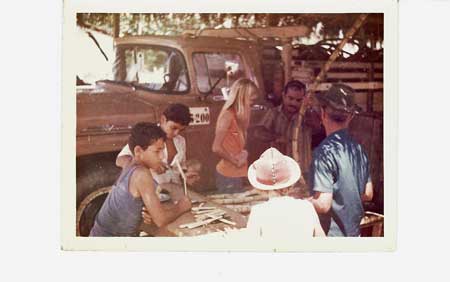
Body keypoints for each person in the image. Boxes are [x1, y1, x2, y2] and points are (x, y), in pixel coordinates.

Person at [90, 122, 192, 237]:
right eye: (157, 151)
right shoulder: (141, 174)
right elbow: (160, 220)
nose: (162, 156)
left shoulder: (129, 164)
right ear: (138, 151)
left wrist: (150, 211)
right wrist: (181, 206)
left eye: (162, 151)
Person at [308, 83, 373, 237]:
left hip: (331, 238)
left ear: (322, 113)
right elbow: (368, 193)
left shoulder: (324, 152)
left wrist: (300, 202)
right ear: (351, 117)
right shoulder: (357, 149)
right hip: (354, 234)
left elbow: (323, 204)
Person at [246, 147, 326, 239]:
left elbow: (251, 247)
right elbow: (322, 241)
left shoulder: (258, 212)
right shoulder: (307, 207)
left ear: (261, 188)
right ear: (291, 184)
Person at [116, 103, 200, 187]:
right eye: (173, 128)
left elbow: (180, 168)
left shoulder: (181, 141)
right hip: (151, 189)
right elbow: (121, 160)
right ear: (163, 119)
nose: (176, 133)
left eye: (181, 130)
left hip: (174, 189)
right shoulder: (148, 136)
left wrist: (186, 175)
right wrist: (151, 165)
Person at [253, 80, 323, 177]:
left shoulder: (307, 115)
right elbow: (258, 132)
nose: (293, 103)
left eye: (298, 100)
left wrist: (309, 107)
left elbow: (317, 128)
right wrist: (276, 137)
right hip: (279, 171)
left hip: (303, 171)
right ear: (284, 96)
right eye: (290, 98)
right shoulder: (274, 113)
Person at [212, 78, 258, 194]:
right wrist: (234, 161)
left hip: (238, 174)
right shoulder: (227, 115)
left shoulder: (240, 116)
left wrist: (243, 154)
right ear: (242, 95)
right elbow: (216, 148)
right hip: (228, 175)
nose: (254, 99)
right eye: (251, 96)